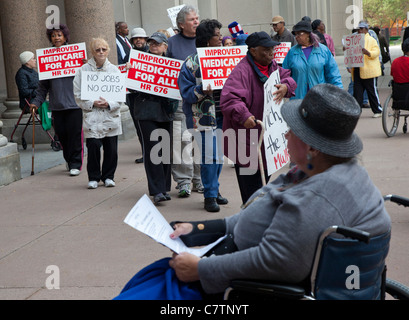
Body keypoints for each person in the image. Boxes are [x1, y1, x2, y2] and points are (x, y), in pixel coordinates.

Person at [115, 84, 391, 299]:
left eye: (292, 131)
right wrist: (200, 227)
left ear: (313, 147)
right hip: (233, 259)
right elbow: (259, 214)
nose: (285, 135)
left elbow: (277, 261)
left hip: (250, 287)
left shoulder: (320, 196)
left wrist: (201, 269)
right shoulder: (320, 170)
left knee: (148, 289)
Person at [220, 31, 297, 205]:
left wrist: (286, 86)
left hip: (265, 140)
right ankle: (249, 218)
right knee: (250, 190)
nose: (271, 53)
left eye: (273, 48)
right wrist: (244, 115)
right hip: (244, 140)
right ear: (253, 51)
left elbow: (288, 78)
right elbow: (229, 99)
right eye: (266, 49)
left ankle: (254, 214)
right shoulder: (241, 71)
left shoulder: (273, 66)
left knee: (262, 181)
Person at [178, 19, 229, 213]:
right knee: (210, 157)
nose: (221, 38)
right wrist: (202, 90)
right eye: (217, 35)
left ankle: (214, 190)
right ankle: (209, 196)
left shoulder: (226, 59)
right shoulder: (190, 64)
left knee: (218, 157)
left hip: (224, 115)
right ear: (207, 39)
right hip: (203, 117)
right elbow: (186, 93)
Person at [30, 24, 84, 177]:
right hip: (57, 106)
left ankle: (76, 163)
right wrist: (36, 102)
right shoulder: (47, 59)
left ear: (65, 36)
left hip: (74, 105)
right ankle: (69, 159)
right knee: (62, 136)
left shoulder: (75, 56)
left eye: (59, 35)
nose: (57, 38)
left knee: (75, 136)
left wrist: (85, 65)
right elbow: (42, 87)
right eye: (53, 35)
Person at [132, 32, 176, 205]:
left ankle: (164, 187)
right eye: (151, 44)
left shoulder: (172, 64)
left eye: (157, 44)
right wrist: (130, 70)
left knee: (164, 150)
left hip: (165, 111)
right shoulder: (140, 62)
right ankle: (156, 190)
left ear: (165, 46)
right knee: (152, 151)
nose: (154, 46)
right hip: (145, 111)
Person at [73, 38, 122, 189]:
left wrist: (109, 104)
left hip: (109, 116)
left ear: (108, 51)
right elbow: (77, 94)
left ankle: (109, 176)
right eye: (97, 50)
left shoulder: (114, 70)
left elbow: (120, 96)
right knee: (93, 147)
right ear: (92, 52)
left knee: (111, 149)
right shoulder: (82, 71)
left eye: (104, 49)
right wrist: (91, 103)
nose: (101, 52)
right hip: (92, 116)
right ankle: (94, 177)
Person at [167, 5, 203, 198]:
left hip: (202, 100)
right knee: (181, 140)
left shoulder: (205, 41)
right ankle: (183, 182)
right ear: (181, 24)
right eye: (192, 19)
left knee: (199, 140)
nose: (196, 22)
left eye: (197, 18)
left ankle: (199, 180)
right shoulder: (171, 44)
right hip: (179, 100)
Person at [282, 20, 342, 100]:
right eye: (295, 34)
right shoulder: (292, 52)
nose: (296, 37)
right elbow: (284, 75)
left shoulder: (323, 50)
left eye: (299, 34)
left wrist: (339, 94)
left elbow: (333, 75)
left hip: (319, 99)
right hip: (298, 99)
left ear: (308, 34)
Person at [351, 21, 383, 118]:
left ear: (366, 29)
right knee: (357, 92)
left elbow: (376, 52)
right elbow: (350, 52)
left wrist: (368, 53)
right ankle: (357, 111)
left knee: (371, 91)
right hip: (357, 69)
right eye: (358, 29)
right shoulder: (354, 39)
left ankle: (378, 109)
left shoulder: (371, 40)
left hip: (369, 71)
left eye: (361, 29)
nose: (359, 31)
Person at [128, 27, 149, 164]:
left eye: (141, 38)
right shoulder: (129, 55)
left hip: (149, 98)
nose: (138, 40)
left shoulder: (151, 53)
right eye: (136, 38)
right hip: (134, 98)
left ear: (145, 39)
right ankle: (145, 154)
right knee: (139, 127)